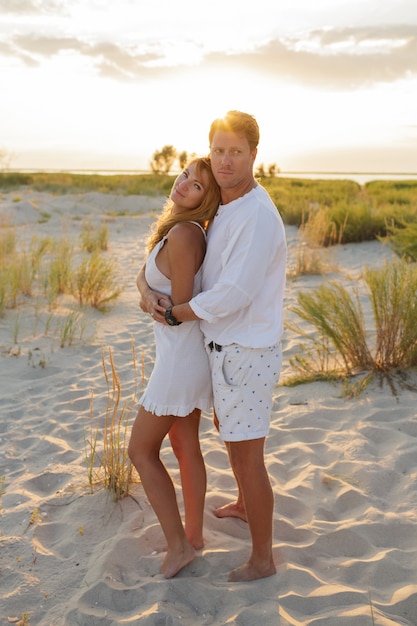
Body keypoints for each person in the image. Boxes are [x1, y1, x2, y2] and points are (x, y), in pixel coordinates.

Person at [141, 110, 287, 583]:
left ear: (253, 156)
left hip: (246, 351)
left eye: (236, 153)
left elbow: (235, 293)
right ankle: (245, 505)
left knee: (247, 454)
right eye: (218, 151)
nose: (225, 161)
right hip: (221, 348)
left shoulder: (257, 215)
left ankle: (263, 559)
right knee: (231, 439)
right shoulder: (227, 206)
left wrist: (174, 312)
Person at [128, 157, 221, 579]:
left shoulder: (184, 235)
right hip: (180, 355)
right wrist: (147, 292)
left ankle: (180, 546)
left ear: (207, 200)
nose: (184, 183)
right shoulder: (178, 229)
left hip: (181, 358)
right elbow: (142, 280)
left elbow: (181, 310)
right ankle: (194, 535)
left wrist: (158, 309)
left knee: (140, 451)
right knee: (184, 446)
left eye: (197, 185)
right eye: (185, 174)